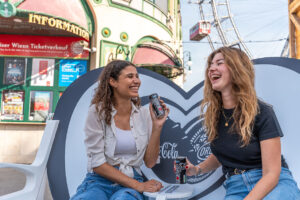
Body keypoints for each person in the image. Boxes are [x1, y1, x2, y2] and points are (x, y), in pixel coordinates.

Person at [186, 47, 300, 200]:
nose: (211, 68)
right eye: (211, 65)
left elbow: (272, 174)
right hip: (236, 186)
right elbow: (222, 155)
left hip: (273, 183)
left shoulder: (262, 112)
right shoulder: (214, 116)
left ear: (236, 69)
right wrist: (196, 169)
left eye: (219, 63)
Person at [71, 60, 169, 200]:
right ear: (113, 81)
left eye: (137, 76)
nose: (136, 81)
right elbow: (97, 164)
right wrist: (138, 185)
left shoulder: (145, 114)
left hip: (132, 180)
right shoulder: (97, 112)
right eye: (130, 76)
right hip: (99, 181)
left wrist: (157, 126)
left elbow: (150, 162)